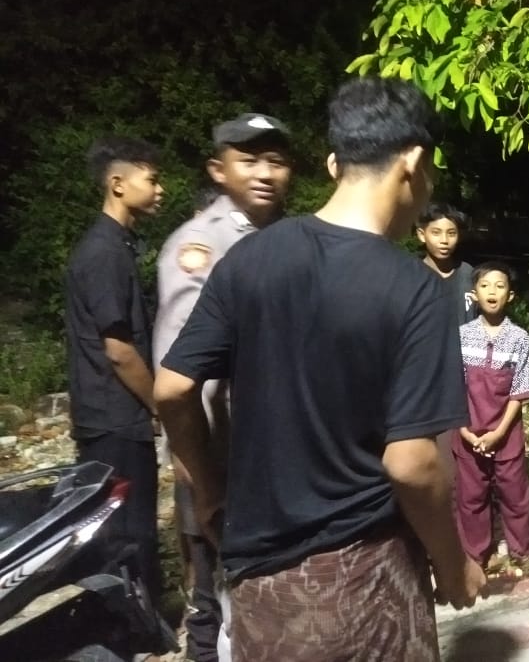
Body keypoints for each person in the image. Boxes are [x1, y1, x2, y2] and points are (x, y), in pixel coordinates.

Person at [154, 77, 485, 662]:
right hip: (367, 575)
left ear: (336, 164)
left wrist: (207, 488)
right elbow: (411, 464)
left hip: (259, 582)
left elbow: (173, 387)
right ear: (412, 164)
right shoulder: (412, 290)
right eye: (430, 173)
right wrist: (453, 564)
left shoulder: (250, 258)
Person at [153, 112, 293, 662]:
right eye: (249, 160)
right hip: (229, 460)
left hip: (284, 457)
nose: (265, 173)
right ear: (218, 169)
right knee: (238, 609)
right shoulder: (201, 246)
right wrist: (201, 480)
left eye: (276, 161)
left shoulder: (289, 237)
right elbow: (180, 382)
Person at [64, 136, 164, 601]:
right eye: (152, 179)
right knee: (126, 532)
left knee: (119, 527)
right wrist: (158, 404)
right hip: (115, 419)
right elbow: (119, 350)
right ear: (118, 184)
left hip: (108, 416)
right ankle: (133, 624)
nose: (160, 189)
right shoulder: (104, 253)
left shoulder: (114, 246)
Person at [454, 261, 529, 573]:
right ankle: (475, 556)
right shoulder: (461, 336)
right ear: (474, 294)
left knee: (515, 494)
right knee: (471, 497)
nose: (492, 291)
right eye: (485, 285)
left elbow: (520, 391)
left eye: (500, 286)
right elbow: (453, 386)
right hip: (467, 430)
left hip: (506, 433)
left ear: (510, 296)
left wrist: (500, 432)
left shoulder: (519, 338)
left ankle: (523, 553)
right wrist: (465, 430)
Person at [417, 203, 477, 324]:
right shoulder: (412, 275)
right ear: (422, 235)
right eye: (436, 233)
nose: (444, 240)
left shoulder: (468, 274)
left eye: (451, 233)